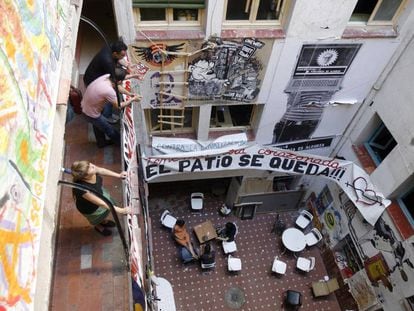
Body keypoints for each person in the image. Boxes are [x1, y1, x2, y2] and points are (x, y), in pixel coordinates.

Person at [81, 67, 141, 147]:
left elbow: (118, 86)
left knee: (97, 125)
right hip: (90, 112)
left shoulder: (107, 77)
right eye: (121, 81)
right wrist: (132, 99)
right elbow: (119, 106)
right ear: (119, 81)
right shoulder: (109, 91)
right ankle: (122, 144)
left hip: (88, 104)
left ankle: (101, 142)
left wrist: (129, 94)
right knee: (109, 129)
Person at [71, 160, 133, 236]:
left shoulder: (92, 170)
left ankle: (104, 221)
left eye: (89, 164)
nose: (92, 166)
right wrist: (122, 210)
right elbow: (101, 203)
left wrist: (118, 175)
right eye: (89, 168)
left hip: (100, 195)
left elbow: (102, 170)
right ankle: (98, 226)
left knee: (104, 215)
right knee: (96, 219)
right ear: (85, 176)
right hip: (91, 208)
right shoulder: (82, 190)